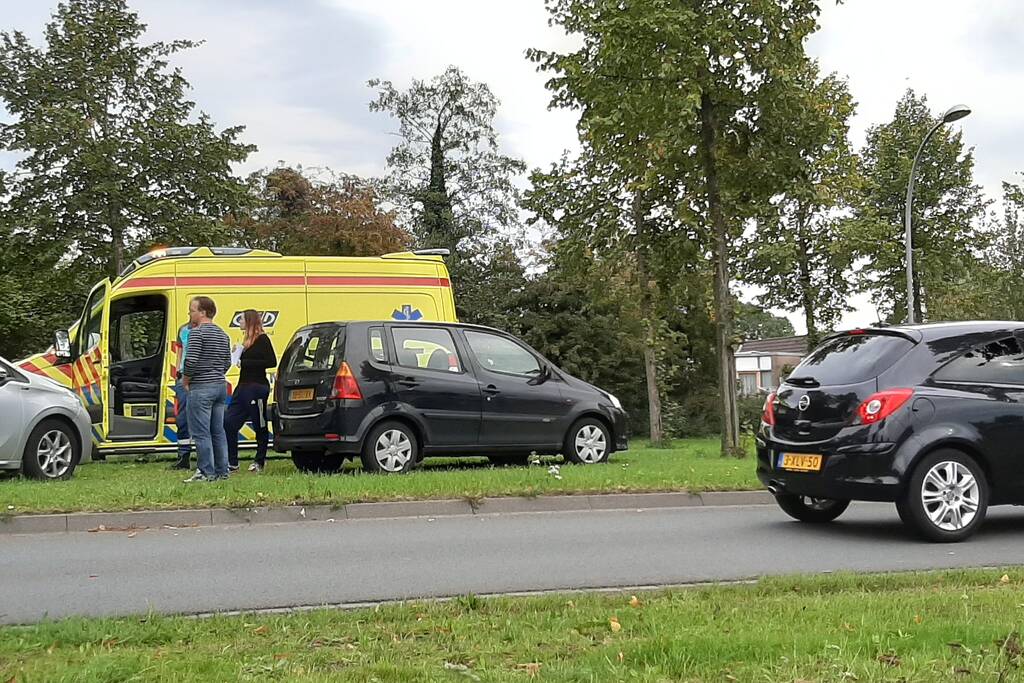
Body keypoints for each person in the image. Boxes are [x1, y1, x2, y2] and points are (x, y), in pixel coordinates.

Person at [182, 296, 231, 482]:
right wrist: (216, 373)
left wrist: (186, 380)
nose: (190, 314)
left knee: (201, 432)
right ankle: (222, 471)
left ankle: (205, 472)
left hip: (201, 387)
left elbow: (191, 361)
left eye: (192, 310)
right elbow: (227, 362)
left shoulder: (197, 333)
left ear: (202, 312)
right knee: (218, 431)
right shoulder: (223, 335)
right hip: (219, 385)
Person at [225, 310, 277, 473]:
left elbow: (271, 361)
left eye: (241, 320)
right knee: (228, 422)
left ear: (249, 321)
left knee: (259, 424)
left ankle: (259, 460)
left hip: (257, 387)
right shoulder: (246, 341)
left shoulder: (262, 339)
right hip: (242, 387)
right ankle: (232, 462)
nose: (239, 323)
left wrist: (246, 362)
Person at [169, 321, 196, 470]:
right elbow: (179, 351)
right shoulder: (183, 329)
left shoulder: (205, 330)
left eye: (193, 311)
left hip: (198, 378)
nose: (190, 314)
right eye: (190, 311)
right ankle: (183, 456)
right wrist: (177, 371)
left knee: (202, 418)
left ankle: (206, 457)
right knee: (182, 418)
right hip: (182, 377)